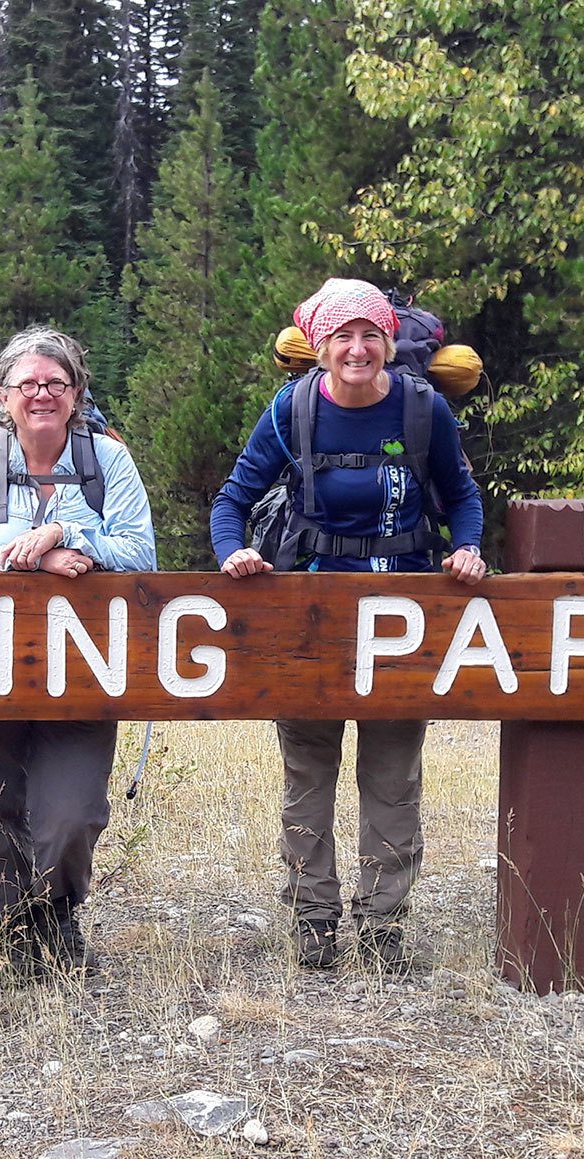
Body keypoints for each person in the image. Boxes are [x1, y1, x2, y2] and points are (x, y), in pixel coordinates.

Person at [208, 278, 487, 973]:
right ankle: (313, 920)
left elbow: (461, 495)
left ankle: (384, 925)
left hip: (404, 614)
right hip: (310, 615)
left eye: (370, 335)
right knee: (309, 768)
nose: (357, 348)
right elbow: (232, 499)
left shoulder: (422, 409)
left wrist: (467, 547)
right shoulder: (292, 408)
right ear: (321, 346)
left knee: (392, 774)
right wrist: (231, 552)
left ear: (389, 343)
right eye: (342, 336)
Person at [0, 326, 156, 978]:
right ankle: (17, 934)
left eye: (55, 383)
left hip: (85, 666)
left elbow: (140, 552)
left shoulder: (108, 461)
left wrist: (69, 530)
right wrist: (31, 556)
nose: (41, 394)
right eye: (27, 384)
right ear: (4, 395)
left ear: (77, 391)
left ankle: (57, 908)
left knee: (72, 813)